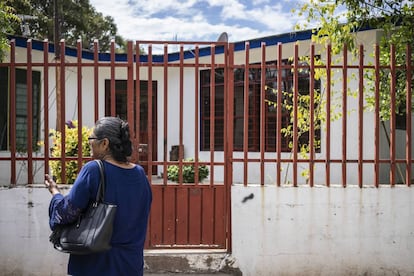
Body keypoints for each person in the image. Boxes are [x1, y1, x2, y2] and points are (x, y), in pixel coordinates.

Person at [45, 117, 152, 276]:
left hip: (96, 265)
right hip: (130, 265)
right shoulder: (139, 174)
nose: (89, 142)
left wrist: (55, 193)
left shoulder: (93, 170)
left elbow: (66, 212)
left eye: (91, 138)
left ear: (105, 143)